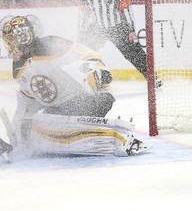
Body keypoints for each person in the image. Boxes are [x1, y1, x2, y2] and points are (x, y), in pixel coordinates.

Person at [0, 15, 149, 160]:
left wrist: (95, 73)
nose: (9, 44)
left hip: (92, 97)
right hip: (62, 107)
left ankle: (116, 137)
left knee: (58, 125)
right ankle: (73, 134)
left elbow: (89, 55)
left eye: (11, 39)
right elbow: (28, 98)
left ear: (23, 37)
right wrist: (18, 131)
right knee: (34, 126)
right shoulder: (18, 68)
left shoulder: (50, 43)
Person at [78, 0, 150, 82]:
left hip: (117, 27)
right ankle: (82, 80)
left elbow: (126, 9)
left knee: (135, 55)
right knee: (83, 55)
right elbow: (82, 13)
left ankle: (153, 79)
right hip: (97, 28)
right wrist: (80, 33)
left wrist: (131, 30)